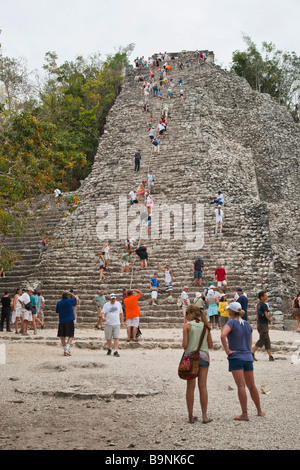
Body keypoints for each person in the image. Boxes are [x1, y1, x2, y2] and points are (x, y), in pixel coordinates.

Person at [220, 302, 266, 421]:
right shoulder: (247, 324)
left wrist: (227, 350)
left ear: (231, 311)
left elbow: (222, 335)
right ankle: (259, 410)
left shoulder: (231, 323)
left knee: (241, 386)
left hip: (236, 357)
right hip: (247, 356)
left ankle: (244, 413)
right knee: (252, 385)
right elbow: (250, 343)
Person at [182, 305, 213, 424]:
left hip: (190, 359)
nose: (186, 316)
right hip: (204, 357)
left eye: (186, 314)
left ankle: (190, 416)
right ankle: (205, 416)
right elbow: (210, 345)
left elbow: (184, 345)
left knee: (190, 387)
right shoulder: (206, 326)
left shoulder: (187, 327)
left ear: (192, 314)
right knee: (203, 386)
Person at [252, 291, 274, 361]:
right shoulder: (264, 305)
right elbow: (266, 314)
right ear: (262, 297)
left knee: (267, 339)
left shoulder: (258, 304)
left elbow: (257, 314)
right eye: (265, 295)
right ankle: (252, 353)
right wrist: (270, 319)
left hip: (260, 323)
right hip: (263, 324)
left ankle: (270, 356)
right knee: (263, 339)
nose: (266, 297)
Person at [56, 291, 78, 356]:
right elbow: (76, 298)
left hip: (62, 320)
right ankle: (68, 348)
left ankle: (65, 348)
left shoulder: (59, 303)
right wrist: (72, 294)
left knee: (62, 335)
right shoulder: (69, 301)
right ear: (68, 296)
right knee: (71, 335)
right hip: (69, 319)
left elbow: (57, 312)